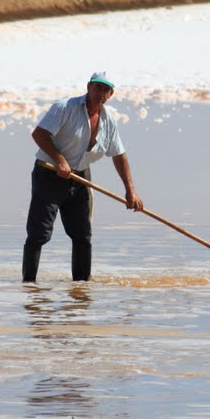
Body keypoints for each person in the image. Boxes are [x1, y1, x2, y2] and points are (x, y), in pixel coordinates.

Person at [23, 72, 143, 283]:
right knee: (39, 234)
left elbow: (119, 155)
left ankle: (81, 289)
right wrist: (59, 159)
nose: (101, 93)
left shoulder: (108, 121)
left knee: (82, 236)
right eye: (98, 88)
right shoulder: (65, 107)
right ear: (88, 87)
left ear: (111, 94)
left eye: (106, 90)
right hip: (49, 174)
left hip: (80, 179)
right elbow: (38, 134)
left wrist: (130, 190)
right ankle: (29, 287)